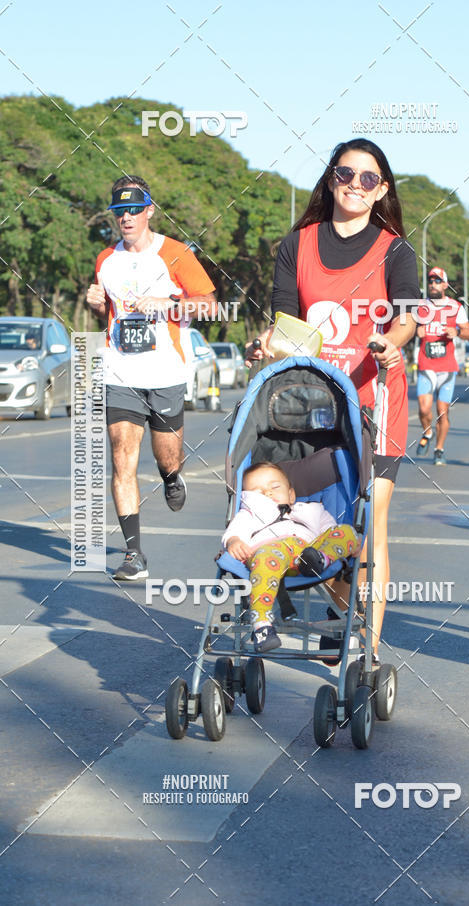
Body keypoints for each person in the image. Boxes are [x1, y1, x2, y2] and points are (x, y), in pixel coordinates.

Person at [246, 138, 420, 660]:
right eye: (346, 173)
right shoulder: (295, 245)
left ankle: (365, 648)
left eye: (369, 178)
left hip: (375, 399)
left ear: (381, 190)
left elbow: (409, 315)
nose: (355, 184)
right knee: (315, 521)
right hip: (311, 406)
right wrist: (264, 346)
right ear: (330, 178)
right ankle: (345, 611)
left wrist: (392, 342)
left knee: (369, 522)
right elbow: (282, 321)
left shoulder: (395, 250)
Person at [86, 176, 217, 579]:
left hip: (165, 372)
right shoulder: (106, 258)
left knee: (167, 454)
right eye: (119, 211)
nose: (126, 218)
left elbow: (210, 307)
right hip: (120, 371)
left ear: (149, 211)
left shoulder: (175, 254)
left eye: (133, 210)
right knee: (122, 458)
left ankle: (171, 476)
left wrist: (171, 301)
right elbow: (109, 316)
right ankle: (133, 554)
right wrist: (94, 304)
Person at [223, 462, 360, 652]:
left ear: (291, 494)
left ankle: (321, 558)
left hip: (308, 552)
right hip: (271, 554)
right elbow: (235, 532)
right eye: (258, 491)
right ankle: (262, 624)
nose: (268, 493)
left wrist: (345, 545)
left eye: (275, 487)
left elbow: (330, 531)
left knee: (345, 531)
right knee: (265, 557)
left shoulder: (312, 510)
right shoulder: (250, 514)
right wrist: (234, 542)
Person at [415, 266, 469, 465]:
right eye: (430, 281)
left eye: (437, 281)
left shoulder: (456, 307)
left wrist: (457, 332)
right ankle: (428, 432)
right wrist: (417, 330)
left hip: (447, 367)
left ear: (445, 285)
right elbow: (405, 325)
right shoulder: (421, 305)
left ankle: (439, 449)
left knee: (442, 411)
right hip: (426, 363)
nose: (433, 284)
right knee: (423, 410)